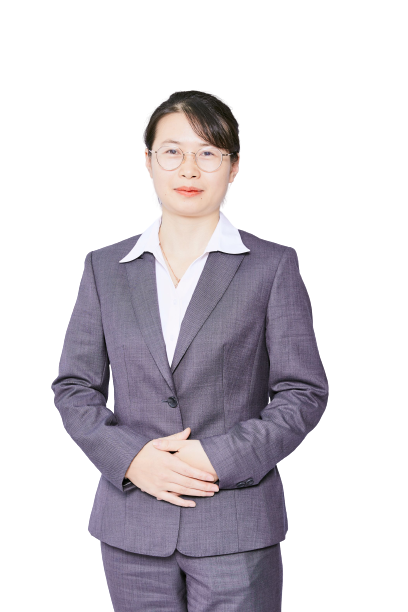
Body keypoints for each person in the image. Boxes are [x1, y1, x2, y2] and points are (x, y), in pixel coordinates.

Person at [51, 89, 329, 611]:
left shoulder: (273, 266)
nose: (190, 168)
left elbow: (302, 392)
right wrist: (131, 459)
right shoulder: (103, 268)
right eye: (172, 151)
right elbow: (74, 387)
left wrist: (218, 457)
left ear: (234, 166)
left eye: (209, 152)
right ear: (148, 161)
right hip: (132, 526)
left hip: (236, 525)